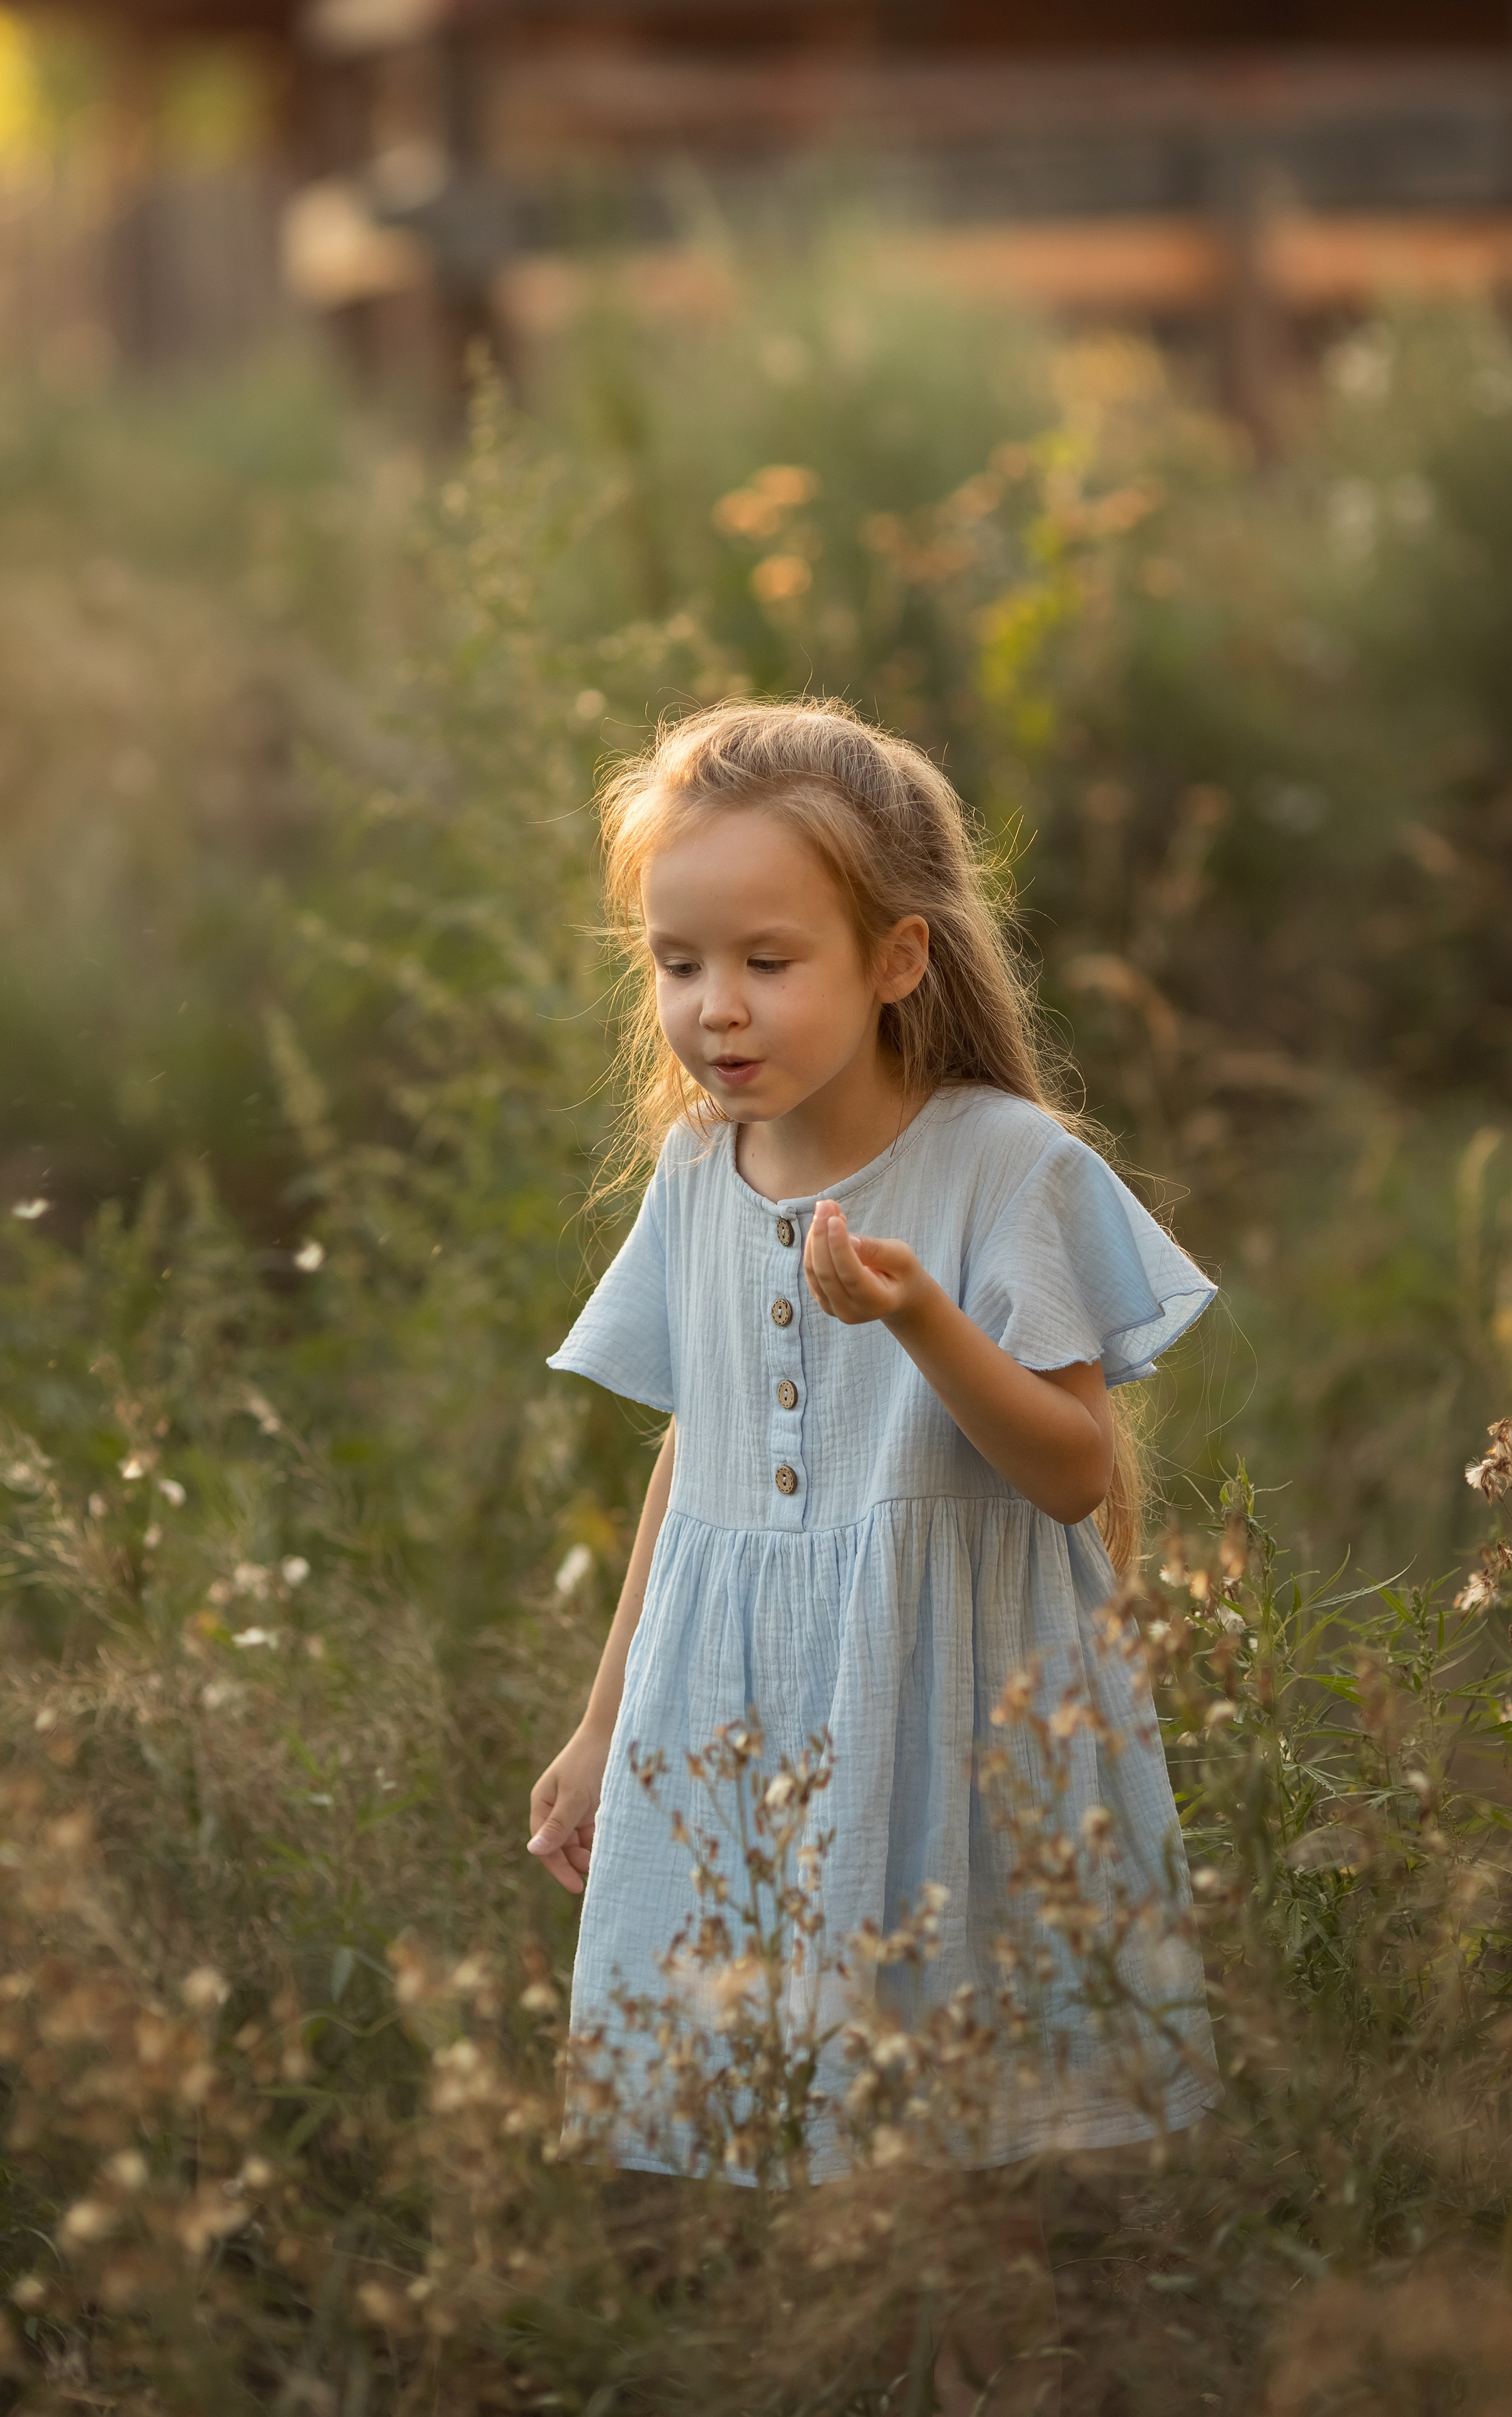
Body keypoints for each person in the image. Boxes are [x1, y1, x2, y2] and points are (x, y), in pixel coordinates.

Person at [528, 697, 1217, 2226]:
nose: (715, 1010)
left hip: (944, 1690)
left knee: (976, 2122)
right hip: (739, 1702)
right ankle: (820, 2327)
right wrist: (602, 1721)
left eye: (767, 964)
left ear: (895, 959)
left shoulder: (1005, 1167)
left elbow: (1069, 1474)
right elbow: (699, 1445)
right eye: (677, 963)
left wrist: (918, 1319)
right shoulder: (695, 1169)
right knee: (773, 2113)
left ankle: (995, 2330)